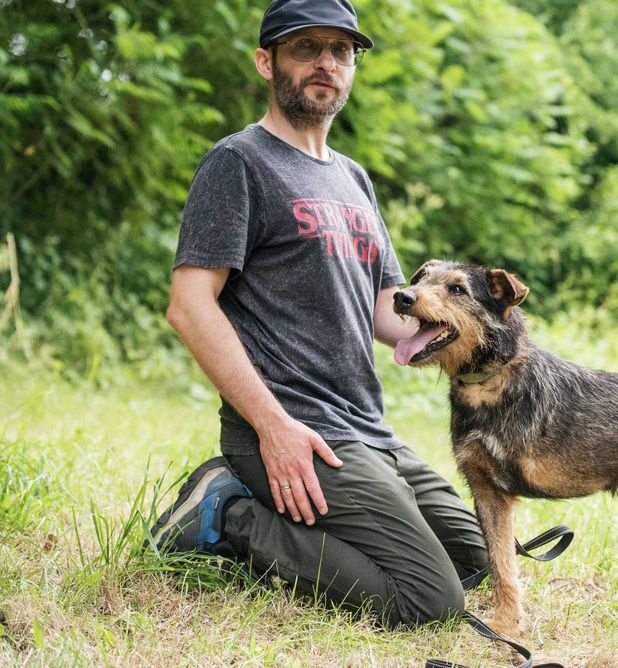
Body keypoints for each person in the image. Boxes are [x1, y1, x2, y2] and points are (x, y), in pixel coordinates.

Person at [150, 0, 488, 628]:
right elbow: (190, 307)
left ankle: (292, 521)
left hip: (364, 427)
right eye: (306, 47)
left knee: (476, 558)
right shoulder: (239, 162)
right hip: (291, 427)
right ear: (265, 61)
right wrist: (273, 427)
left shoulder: (353, 178)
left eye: (341, 50)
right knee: (429, 601)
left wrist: (473, 335)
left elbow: (386, 311)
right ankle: (226, 512)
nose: (326, 63)